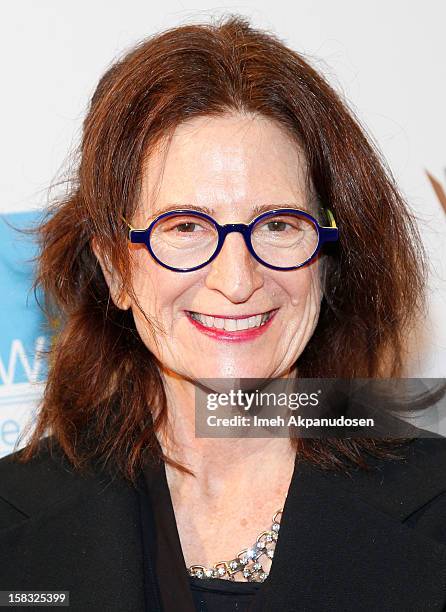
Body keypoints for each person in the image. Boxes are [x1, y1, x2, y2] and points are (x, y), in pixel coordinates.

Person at [1, 15, 445, 612]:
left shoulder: (435, 506)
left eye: (279, 225)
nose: (237, 280)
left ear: (328, 258)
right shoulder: (12, 522)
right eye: (184, 226)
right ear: (115, 269)